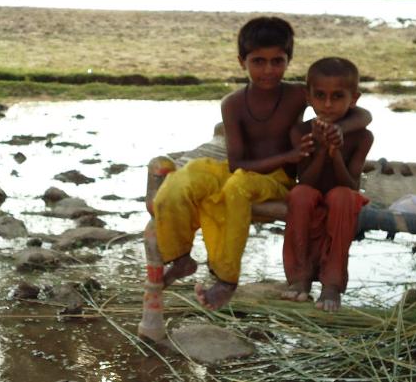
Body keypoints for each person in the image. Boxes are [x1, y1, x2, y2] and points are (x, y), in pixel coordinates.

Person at [153, 16, 372, 310]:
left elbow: (362, 115)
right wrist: (290, 155)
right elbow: (238, 162)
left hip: (276, 180)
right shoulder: (232, 103)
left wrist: (339, 131)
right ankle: (179, 257)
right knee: (184, 178)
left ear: (288, 60)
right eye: (258, 61)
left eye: (277, 61)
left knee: (237, 188)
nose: (268, 70)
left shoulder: (298, 93)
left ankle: (226, 279)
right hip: (245, 168)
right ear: (242, 61)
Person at [282, 57, 374, 312]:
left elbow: (352, 184)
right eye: (320, 95)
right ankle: (299, 278)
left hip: (343, 194)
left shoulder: (363, 136)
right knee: (300, 194)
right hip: (310, 192)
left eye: (337, 96)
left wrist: (335, 153)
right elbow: (305, 180)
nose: (327, 104)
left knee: (342, 197)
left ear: (353, 98)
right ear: (308, 96)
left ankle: (332, 284)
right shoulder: (300, 133)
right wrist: (321, 150)